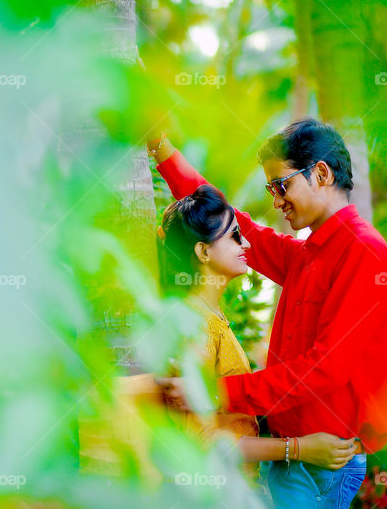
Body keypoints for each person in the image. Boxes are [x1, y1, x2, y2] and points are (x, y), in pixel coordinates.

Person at [149, 119, 387, 509]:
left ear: (322, 174)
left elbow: (323, 370)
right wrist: (163, 150)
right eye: (270, 188)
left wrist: (217, 394)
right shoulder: (309, 252)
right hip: (293, 457)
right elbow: (229, 222)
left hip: (317, 462)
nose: (275, 199)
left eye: (281, 184)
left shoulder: (363, 252)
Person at [121, 183, 359, 472]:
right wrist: (297, 449)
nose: (246, 245)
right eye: (235, 236)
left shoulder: (209, 315)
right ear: (204, 252)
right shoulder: (197, 327)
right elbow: (202, 443)